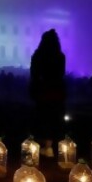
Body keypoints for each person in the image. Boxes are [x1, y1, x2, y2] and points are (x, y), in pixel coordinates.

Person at [29, 29, 66, 157]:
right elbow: (61, 75)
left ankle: (40, 146)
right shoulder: (60, 56)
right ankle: (51, 147)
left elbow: (34, 74)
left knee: (42, 118)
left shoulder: (38, 55)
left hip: (43, 91)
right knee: (54, 118)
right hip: (56, 91)